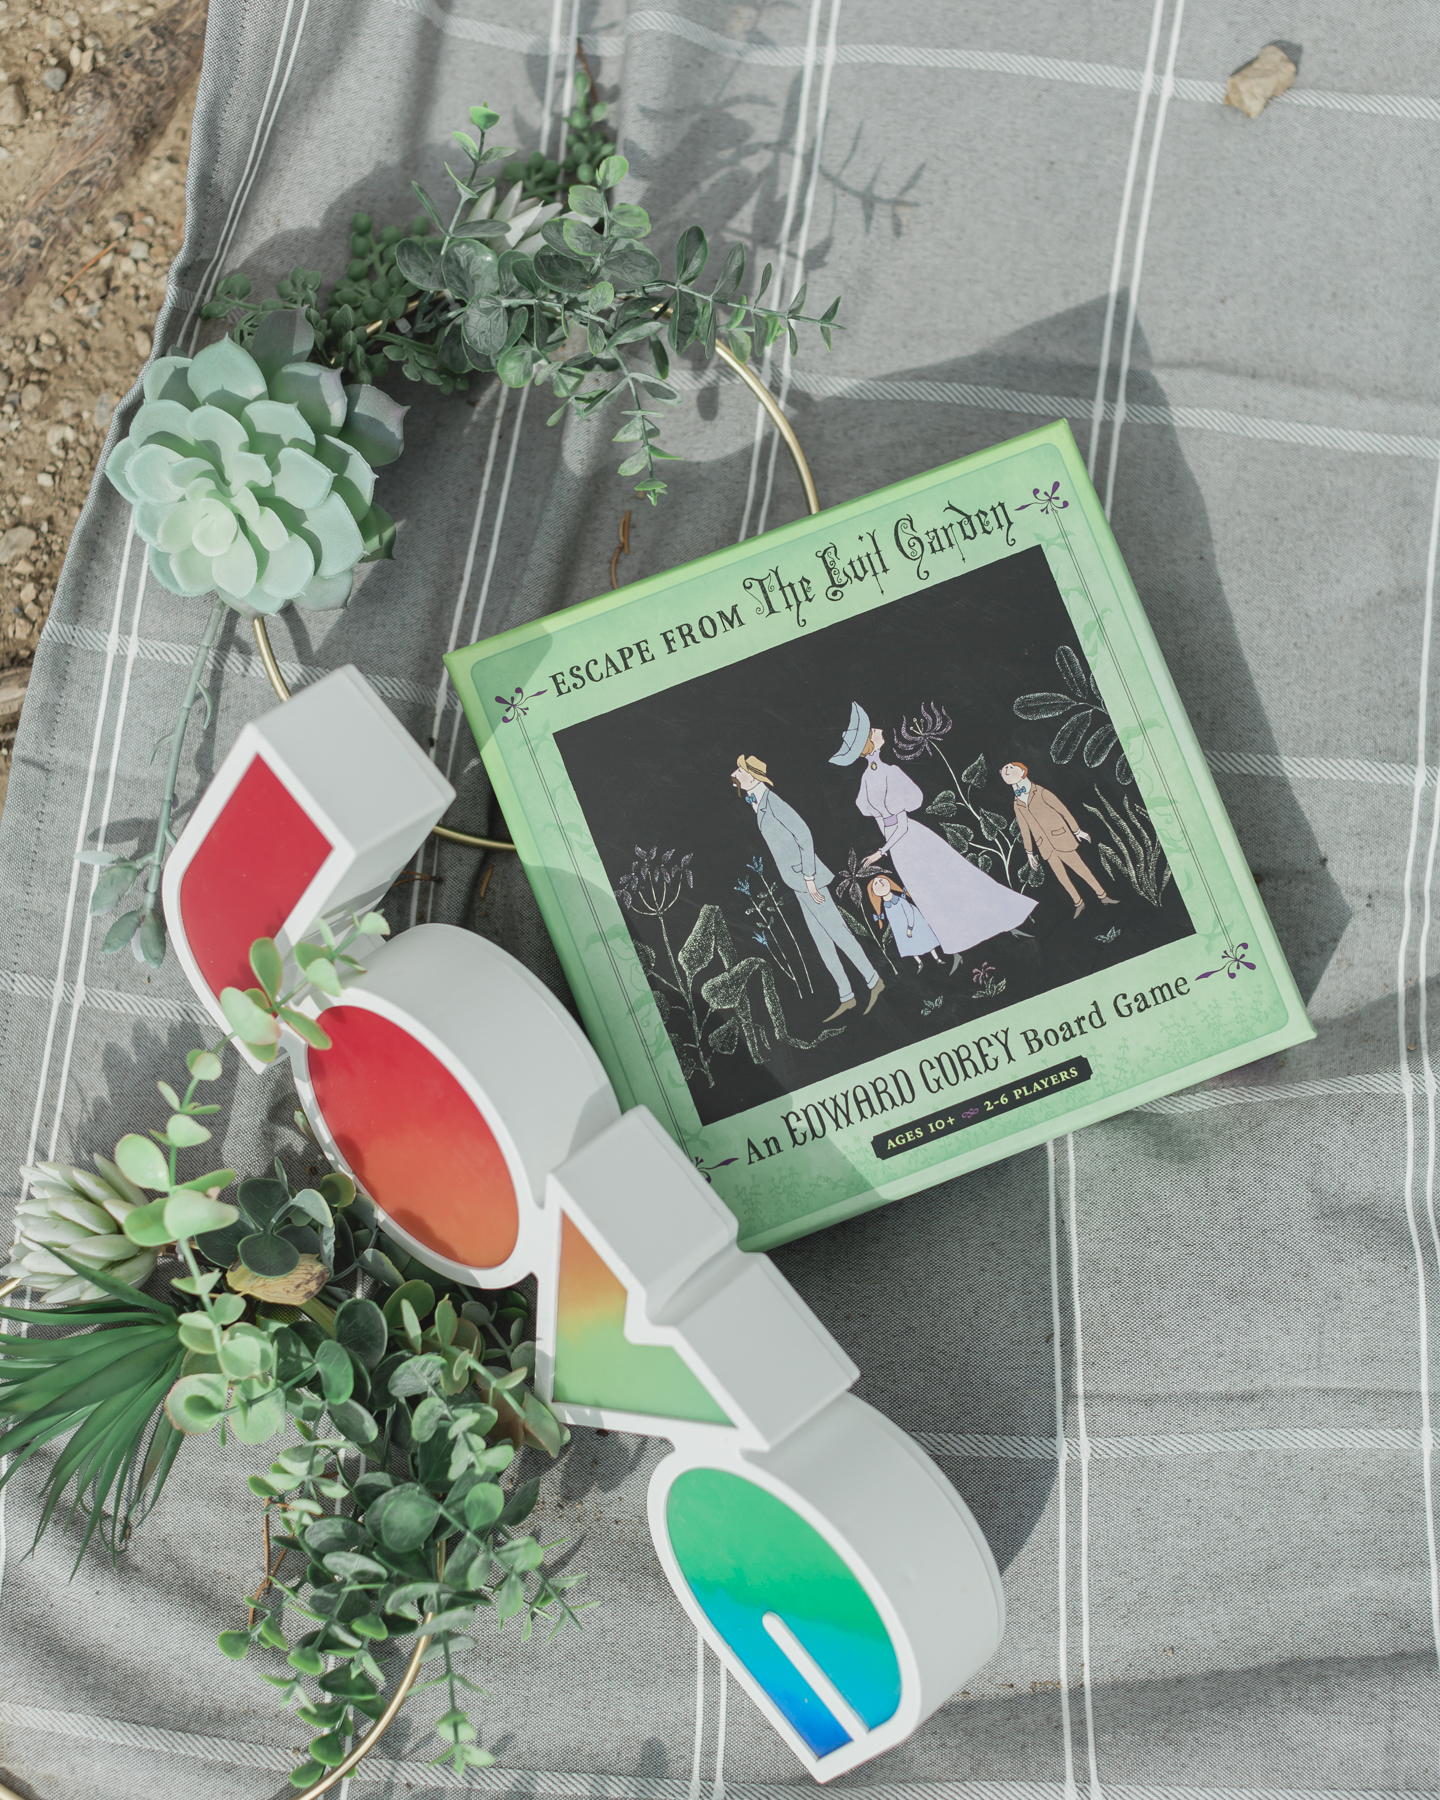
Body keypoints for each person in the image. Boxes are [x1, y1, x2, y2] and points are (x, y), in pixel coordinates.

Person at [830, 703, 1037, 972]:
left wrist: (883, 849)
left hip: (905, 844)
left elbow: (890, 821)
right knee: (934, 892)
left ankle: (1001, 925)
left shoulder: (868, 779)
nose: (880, 730)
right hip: (906, 843)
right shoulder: (886, 774)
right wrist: (883, 850)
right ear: (870, 743)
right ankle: (962, 941)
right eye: (873, 731)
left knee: (952, 880)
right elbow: (897, 823)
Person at [730, 754, 885, 1022]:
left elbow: (804, 835)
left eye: (740, 771)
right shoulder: (761, 804)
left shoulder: (775, 803)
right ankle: (846, 995)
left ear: (753, 777)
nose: (735, 774)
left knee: (838, 933)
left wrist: (810, 879)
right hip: (798, 883)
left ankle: (873, 981)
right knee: (822, 942)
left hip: (808, 881)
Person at [1000, 760, 1120, 919]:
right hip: (1045, 846)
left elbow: (1063, 810)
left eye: (1011, 767)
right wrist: (1029, 852)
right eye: (1005, 769)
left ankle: (1102, 895)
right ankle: (1078, 902)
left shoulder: (1041, 792)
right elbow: (1024, 829)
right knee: (1061, 877)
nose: (1007, 769)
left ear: (1022, 773)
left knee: (1081, 869)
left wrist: (1077, 831)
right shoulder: (1017, 803)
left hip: (1060, 838)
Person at [867, 873, 942, 970]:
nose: (880, 883)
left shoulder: (900, 900)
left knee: (926, 940)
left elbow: (910, 913)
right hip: (902, 930)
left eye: (881, 880)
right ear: (874, 893)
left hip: (914, 924)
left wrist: (910, 928)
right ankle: (919, 962)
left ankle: (937, 958)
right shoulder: (886, 907)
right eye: (876, 883)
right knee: (910, 945)